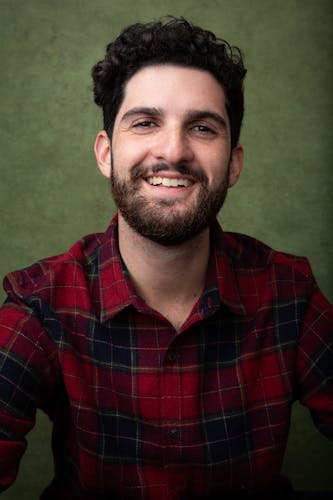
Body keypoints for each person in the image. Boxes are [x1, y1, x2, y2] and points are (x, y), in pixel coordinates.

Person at [0, 17, 332, 500]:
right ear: (106, 153)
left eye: (202, 127)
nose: (173, 151)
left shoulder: (291, 296)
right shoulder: (39, 306)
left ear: (233, 163)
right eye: (145, 122)